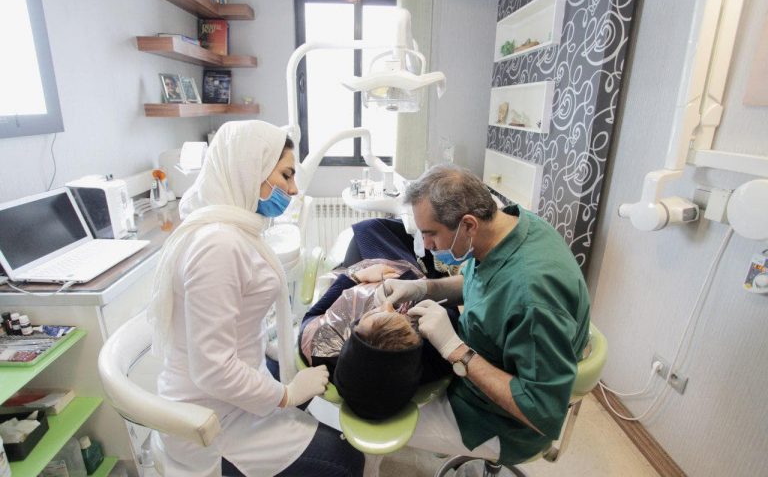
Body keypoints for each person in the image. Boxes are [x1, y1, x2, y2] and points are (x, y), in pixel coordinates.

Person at [147, 120, 364, 476]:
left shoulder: (236, 227)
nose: (293, 189)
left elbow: (238, 324)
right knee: (345, 460)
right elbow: (213, 369)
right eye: (286, 175)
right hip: (212, 422)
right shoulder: (218, 245)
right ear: (250, 169)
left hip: (231, 390)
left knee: (313, 387)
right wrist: (286, 396)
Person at [376, 164, 591, 467]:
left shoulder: (533, 296)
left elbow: (542, 412)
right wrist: (423, 288)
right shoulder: (511, 228)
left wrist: (456, 350)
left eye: (430, 234)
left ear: (468, 225)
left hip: (500, 421)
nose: (426, 245)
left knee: (379, 421)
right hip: (483, 365)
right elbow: (482, 284)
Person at [299, 260, 455, 420]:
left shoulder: (320, 348)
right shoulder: (434, 354)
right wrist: (420, 288)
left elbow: (310, 317)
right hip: (412, 280)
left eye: (372, 314)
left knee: (359, 242)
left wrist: (356, 277)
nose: (387, 305)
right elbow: (452, 310)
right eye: (402, 320)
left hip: (374, 280)